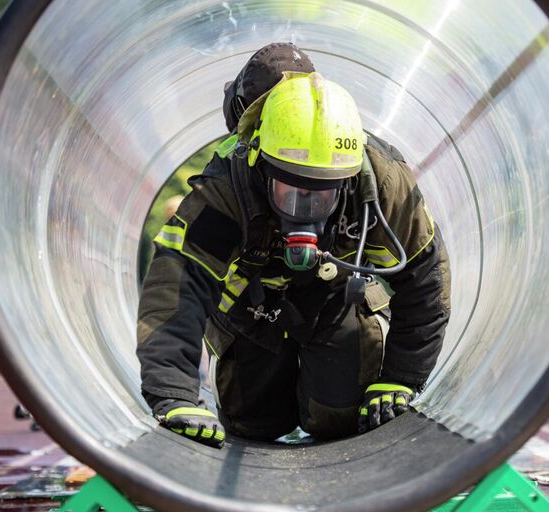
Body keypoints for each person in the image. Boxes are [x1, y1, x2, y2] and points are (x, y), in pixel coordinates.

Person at [136, 44, 451, 448]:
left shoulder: (381, 182)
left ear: (346, 178)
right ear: (262, 163)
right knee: (253, 425)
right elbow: (178, 283)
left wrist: (400, 379)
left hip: (337, 300)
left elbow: (427, 279)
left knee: (340, 420)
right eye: (291, 189)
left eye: (320, 194)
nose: (305, 206)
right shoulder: (228, 186)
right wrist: (173, 394)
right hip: (251, 309)